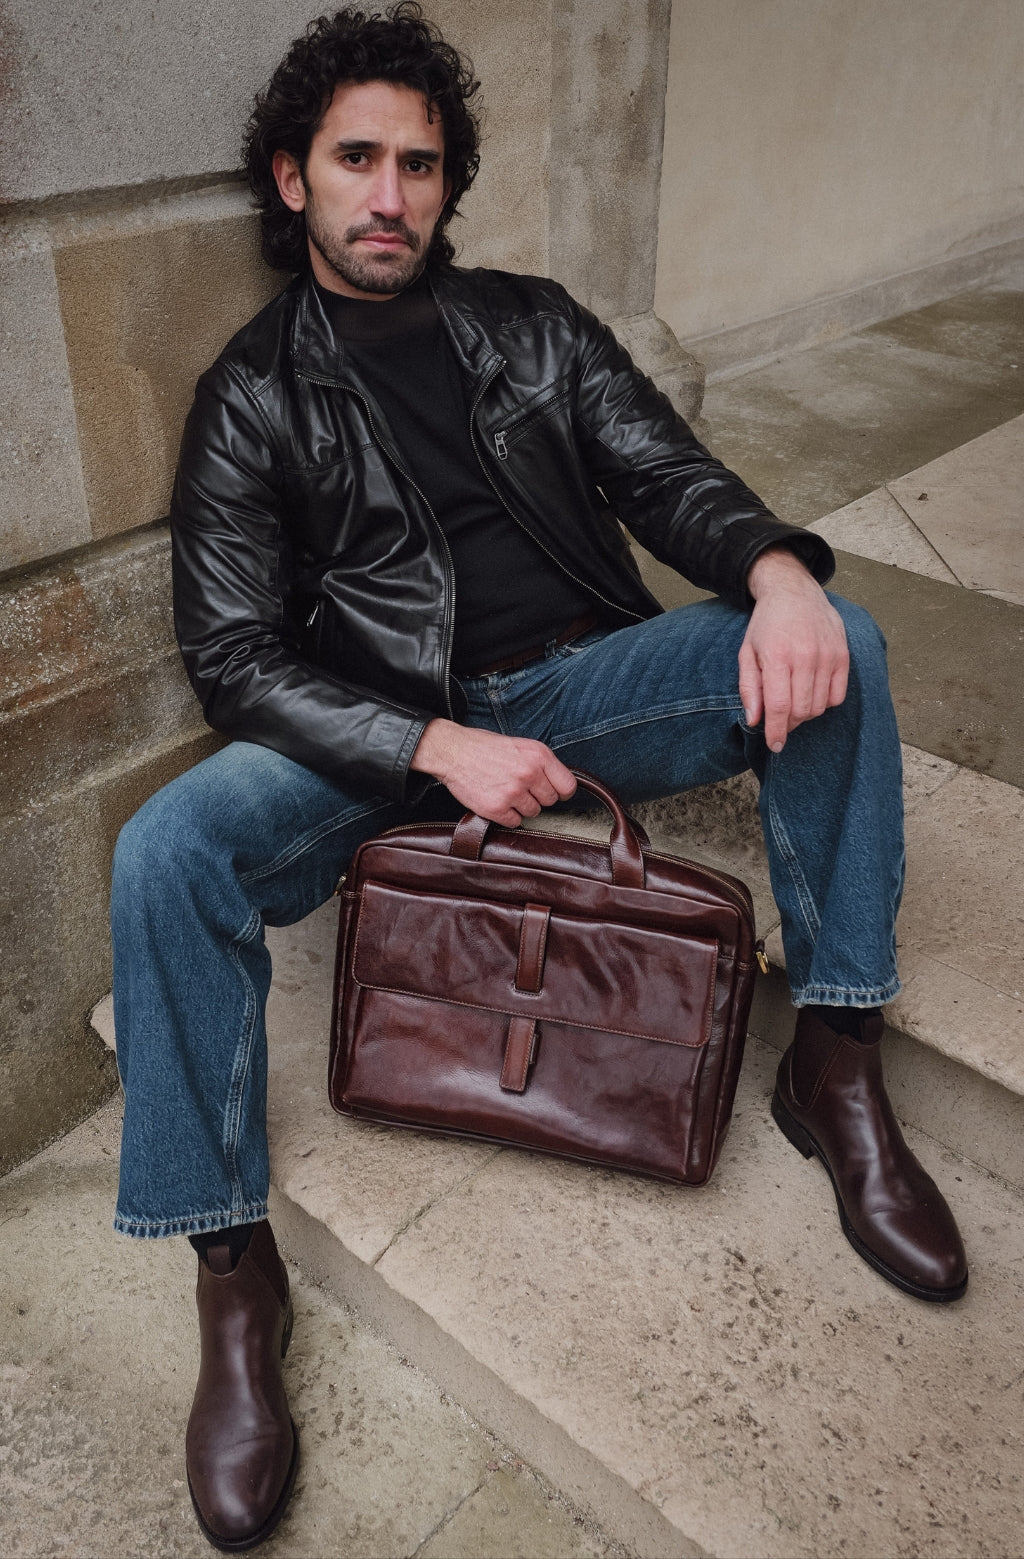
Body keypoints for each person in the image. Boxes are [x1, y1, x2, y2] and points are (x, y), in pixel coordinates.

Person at [110, 4, 968, 1549]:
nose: (390, 194)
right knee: (166, 849)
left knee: (835, 639)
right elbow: (233, 659)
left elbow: (666, 474)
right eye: (357, 160)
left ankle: (835, 1061)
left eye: (419, 163)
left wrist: (776, 572)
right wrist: (428, 744)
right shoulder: (249, 396)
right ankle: (232, 1270)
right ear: (294, 179)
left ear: (450, 183)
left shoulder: (534, 326)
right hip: (383, 739)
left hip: (580, 693)